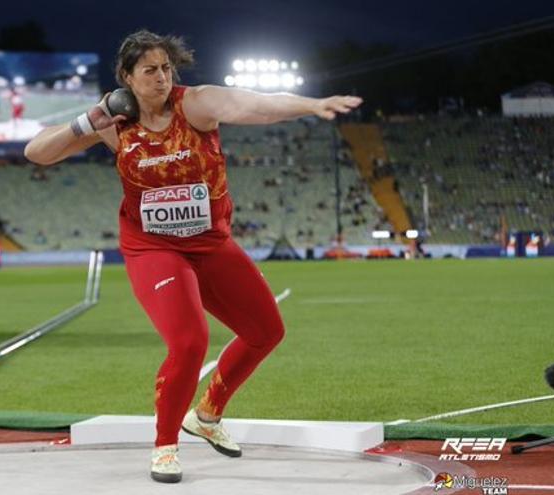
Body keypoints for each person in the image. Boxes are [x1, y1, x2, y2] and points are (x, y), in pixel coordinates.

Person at [24, 29, 362, 483]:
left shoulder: (195, 104)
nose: (162, 77)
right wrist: (91, 118)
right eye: (150, 70)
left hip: (211, 243)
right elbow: (37, 153)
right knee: (188, 342)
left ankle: (206, 415)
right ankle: (165, 447)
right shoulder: (115, 125)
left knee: (266, 331)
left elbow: (253, 104)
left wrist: (310, 105)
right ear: (127, 77)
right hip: (153, 248)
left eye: (166, 68)